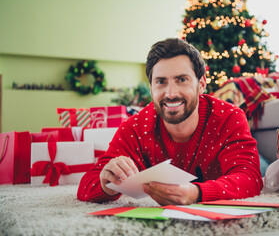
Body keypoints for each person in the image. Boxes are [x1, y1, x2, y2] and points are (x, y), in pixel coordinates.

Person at [77, 38, 263, 205]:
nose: (171, 93)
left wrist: (196, 193)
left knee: (264, 168)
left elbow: (250, 178)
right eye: (160, 82)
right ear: (151, 88)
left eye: (181, 80)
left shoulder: (229, 117)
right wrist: (106, 183)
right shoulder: (134, 127)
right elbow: (87, 184)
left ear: (202, 85)